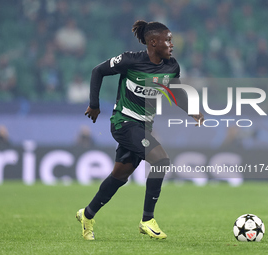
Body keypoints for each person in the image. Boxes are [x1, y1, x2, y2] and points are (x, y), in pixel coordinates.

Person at [77, 20, 204, 241]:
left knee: (120, 175)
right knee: (161, 160)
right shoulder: (129, 60)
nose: (172, 44)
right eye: (168, 40)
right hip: (123, 122)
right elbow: (97, 71)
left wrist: (192, 110)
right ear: (153, 42)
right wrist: (94, 104)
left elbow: (175, 92)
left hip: (144, 126)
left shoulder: (171, 67)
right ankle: (147, 220)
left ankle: (87, 214)